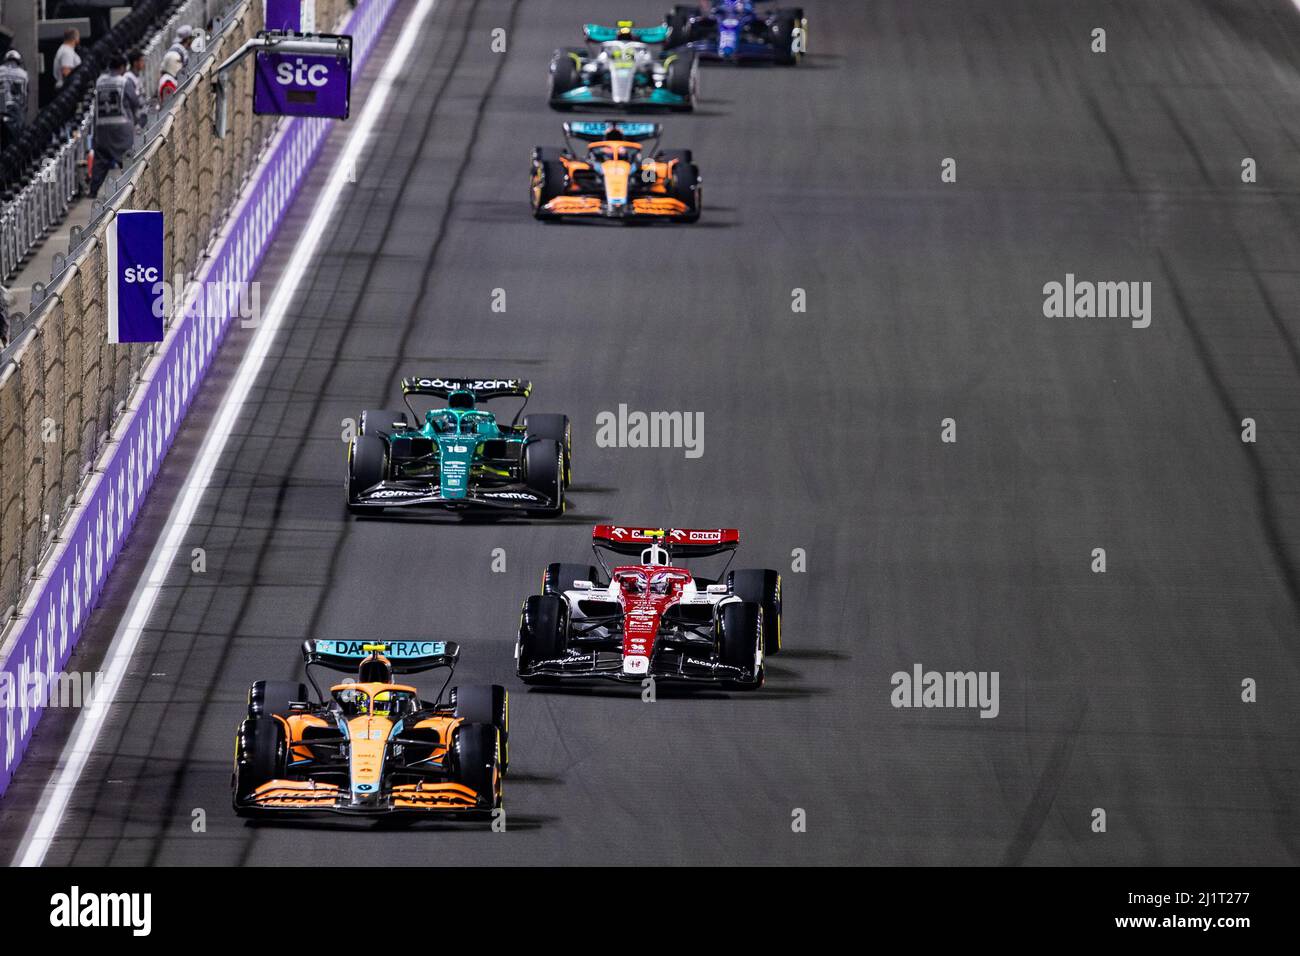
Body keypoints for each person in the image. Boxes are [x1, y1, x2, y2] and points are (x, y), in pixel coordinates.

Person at [89, 55, 140, 198]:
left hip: (102, 128)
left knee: (100, 162)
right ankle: (131, 185)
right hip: (121, 129)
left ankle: (93, 191)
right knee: (126, 160)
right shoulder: (124, 82)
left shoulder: (99, 81)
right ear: (122, 67)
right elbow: (135, 102)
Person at [0, 50, 29, 151]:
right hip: (15, 108)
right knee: (17, 138)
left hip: (2, 107)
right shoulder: (23, 74)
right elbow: (24, 95)